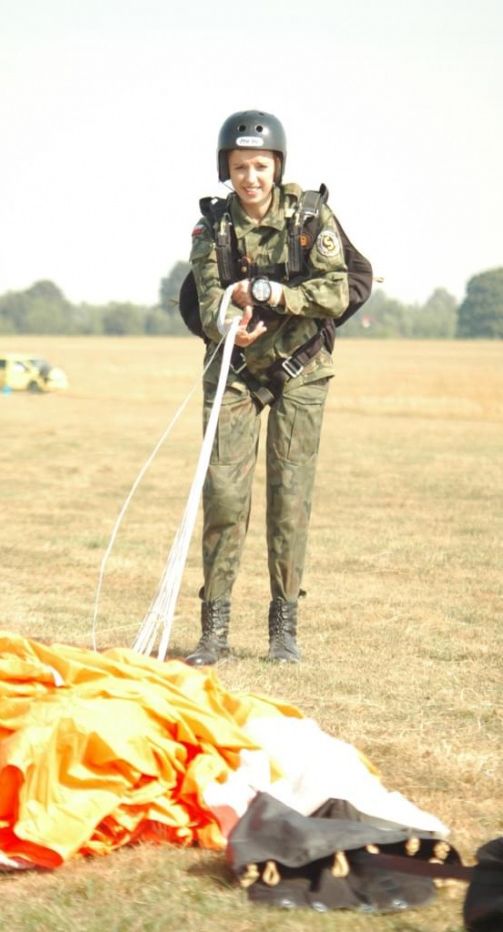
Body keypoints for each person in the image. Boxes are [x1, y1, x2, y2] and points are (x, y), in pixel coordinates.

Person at [185, 109, 349, 667]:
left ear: (276, 166)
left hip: (301, 370)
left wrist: (281, 298)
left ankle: (284, 629)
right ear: (225, 171)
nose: (250, 177)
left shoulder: (309, 216)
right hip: (233, 370)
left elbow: (338, 291)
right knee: (225, 497)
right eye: (239, 167)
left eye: (260, 165)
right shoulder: (213, 229)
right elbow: (207, 300)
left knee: (289, 498)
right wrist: (230, 314)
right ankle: (214, 630)